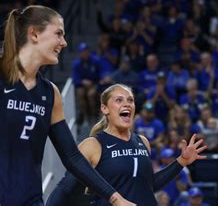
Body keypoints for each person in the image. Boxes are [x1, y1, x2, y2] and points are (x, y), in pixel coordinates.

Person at [0, 6, 134, 205]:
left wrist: (114, 198)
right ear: (34, 34)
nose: (64, 43)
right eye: (59, 34)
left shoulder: (50, 93)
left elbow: (72, 157)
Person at [46, 84, 207, 206]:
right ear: (105, 109)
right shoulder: (93, 145)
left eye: (130, 100)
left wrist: (181, 162)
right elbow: (65, 189)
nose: (127, 104)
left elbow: (148, 185)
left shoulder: (142, 142)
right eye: (119, 100)